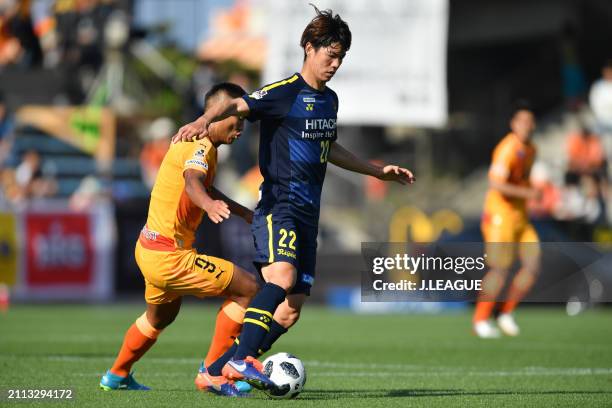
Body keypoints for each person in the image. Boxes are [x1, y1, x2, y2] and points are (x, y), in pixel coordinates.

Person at [173, 5, 415, 392]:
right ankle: (241, 360)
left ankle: (214, 371)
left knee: (288, 311)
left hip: (308, 215)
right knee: (281, 277)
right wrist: (203, 121)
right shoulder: (283, 93)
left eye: (340, 57)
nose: (334, 63)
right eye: (329, 54)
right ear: (308, 47)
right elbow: (236, 104)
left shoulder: (329, 101)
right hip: (278, 207)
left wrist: (375, 170)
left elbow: (329, 147)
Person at [100, 83, 258, 397]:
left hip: (149, 248)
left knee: (159, 317)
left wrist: (242, 212)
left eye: (243, 121)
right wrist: (209, 205)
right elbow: (193, 184)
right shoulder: (199, 145)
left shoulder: (202, 145)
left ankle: (116, 375)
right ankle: (212, 373)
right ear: (216, 114)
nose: (240, 128)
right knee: (248, 288)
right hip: (170, 255)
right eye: (235, 120)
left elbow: (202, 185)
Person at [473, 102, 541, 338]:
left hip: (521, 217)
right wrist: (529, 193)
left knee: (532, 266)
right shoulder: (507, 149)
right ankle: (480, 320)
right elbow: (496, 184)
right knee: (500, 270)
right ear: (513, 124)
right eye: (522, 121)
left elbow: (522, 181)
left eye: (530, 121)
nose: (527, 126)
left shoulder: (532, 149)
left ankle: (504, 312)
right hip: (500, 216)